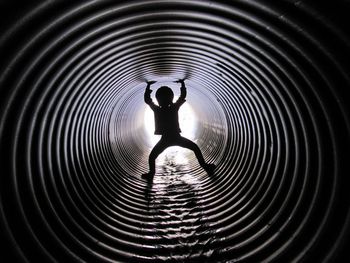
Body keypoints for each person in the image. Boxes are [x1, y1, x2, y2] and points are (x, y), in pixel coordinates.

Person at [142, 79, 216, 178]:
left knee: (152, 157)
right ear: (171, 98)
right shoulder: (174, 107)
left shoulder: (157, 109)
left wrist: (148, 87)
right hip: (176, 137)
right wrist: (182, 84)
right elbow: (182, 97)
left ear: (158, 100)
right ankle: (205, 166)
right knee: (195, 148)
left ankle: (151, 173)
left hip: (165, 139)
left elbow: (148, 100)